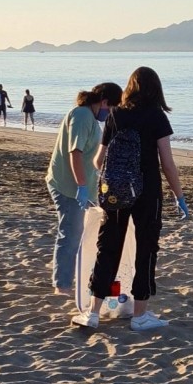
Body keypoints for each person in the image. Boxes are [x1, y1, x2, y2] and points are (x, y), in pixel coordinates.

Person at [72, 67, 190, 331]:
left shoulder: (116, 114)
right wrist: (179, 196)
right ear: (156, 89)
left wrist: (113, 175)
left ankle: (92, 313)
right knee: (146, 249)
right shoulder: (156, 116)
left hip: (115, 192)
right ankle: (140, 315)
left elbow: (98, 160)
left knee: (108, 247)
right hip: (147, 192)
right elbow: (168, 164)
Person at [46, 82, 123, 296]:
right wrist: (80, 186)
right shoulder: (82, 116)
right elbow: (75, 153)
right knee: (70, 234)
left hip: (83, 187)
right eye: (113, 109)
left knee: (81, 235)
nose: (111, 114)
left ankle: (72, 276)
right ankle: (62, 285)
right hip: (68, 186)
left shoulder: (89, 116)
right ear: (105, 102)